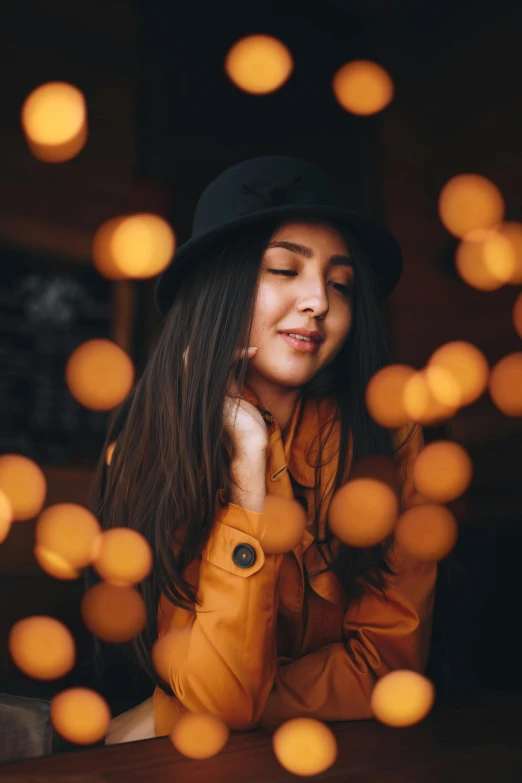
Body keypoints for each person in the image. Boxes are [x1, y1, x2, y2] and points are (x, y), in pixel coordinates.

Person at [88, 155, 437, 744]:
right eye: (283, 270)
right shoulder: (160, 445)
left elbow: (387, 666)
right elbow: (222, 688)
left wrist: (177, 716)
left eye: (340, 284)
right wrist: (248, 463)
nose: (319, 303)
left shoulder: (389, 438)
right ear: (220, 286)